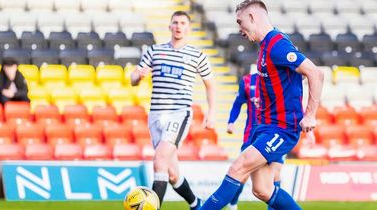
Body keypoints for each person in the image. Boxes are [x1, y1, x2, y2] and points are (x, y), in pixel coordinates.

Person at [200, 1, 324, 209]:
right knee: (262, 189)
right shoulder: (267, 46)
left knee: (237, 168)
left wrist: (310, 114)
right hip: (264, 127)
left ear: (252, 18)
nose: (239, 29)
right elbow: (291, 76)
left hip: (281, 129)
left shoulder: (277, 45)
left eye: (240, 22)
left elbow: (315, 74)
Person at [131, 11, 215, 210]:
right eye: (175, 22)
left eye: (183, 23)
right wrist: (139, 76)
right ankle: (197, 205)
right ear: (169, 26)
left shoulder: (197, 55)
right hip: (156, 116)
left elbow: (210, 85)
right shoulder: (155, 51)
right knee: (172, 174)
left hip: (179, 113)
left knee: (160, 160)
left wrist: (211, 113)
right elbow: (133, 79)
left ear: (188, 27)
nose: (178, 26)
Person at [226, 70, 282, 210]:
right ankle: (232, 205)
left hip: (273, 135)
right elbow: (238, 103)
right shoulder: (247, 81)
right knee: (242, 175)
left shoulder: (278, 81)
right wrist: (231, 122)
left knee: (275, 175)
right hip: (251, 136)